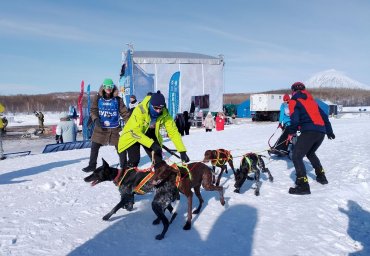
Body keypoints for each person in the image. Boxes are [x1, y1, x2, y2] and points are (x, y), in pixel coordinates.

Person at [287, 82, 335, 195]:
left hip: (309, 131)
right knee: (310, 153)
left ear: (293, 91)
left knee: (296, 156)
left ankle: (303, 185)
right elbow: (324, 117)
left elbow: (294, 119)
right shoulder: (312, 101)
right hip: (321, 132)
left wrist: (291, 132)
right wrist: (329, 131)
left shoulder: (294, 100)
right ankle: (321, 176)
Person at [82, 78, 130, 173]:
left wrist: (129, 123)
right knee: (94, 146)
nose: (109, 88)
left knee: (121, 147)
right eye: (107, 87)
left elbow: (124, 112)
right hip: (101, 127)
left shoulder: (118, 99)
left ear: (113, 88)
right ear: (103, 87)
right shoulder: (98, 98)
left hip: (115, 128)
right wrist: (95, 119)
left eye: (111, 87)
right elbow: (93, 110)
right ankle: (92, 165)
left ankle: (124, 166)